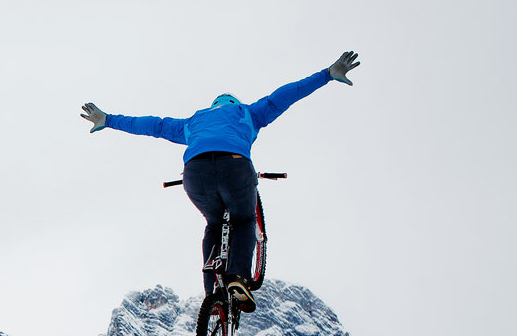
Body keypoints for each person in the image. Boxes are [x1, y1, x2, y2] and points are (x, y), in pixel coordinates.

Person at [81, 52, 360, 312]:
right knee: (244, 220)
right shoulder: (248, 113)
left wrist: (108, 119)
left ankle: (211, 287)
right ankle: (237, 276)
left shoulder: (193, 122)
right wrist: (327, 74)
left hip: (194, 172)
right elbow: (284, 96)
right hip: (235, 167)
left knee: (214, 224)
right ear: (234, 105)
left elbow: (154, 125)